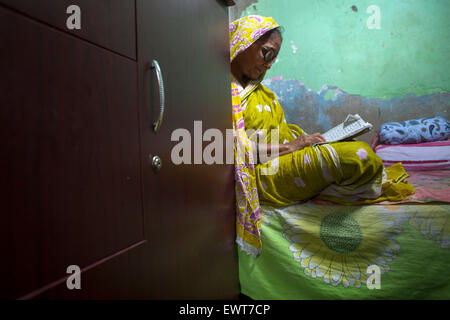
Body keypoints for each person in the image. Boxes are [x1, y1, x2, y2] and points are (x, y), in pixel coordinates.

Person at [230, 15, 414, 257]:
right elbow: (231, 150)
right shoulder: (221, 90)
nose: (270, 64)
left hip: (287, 152)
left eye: (274, 57)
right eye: (267, 53)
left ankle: (329, 183)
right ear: (244, 42)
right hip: (265, 172)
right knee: (358, 156)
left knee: (348, 147)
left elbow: (282, 132)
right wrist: (295, 146)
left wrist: (303, 141)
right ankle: (331, 187)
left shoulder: (262, 93)